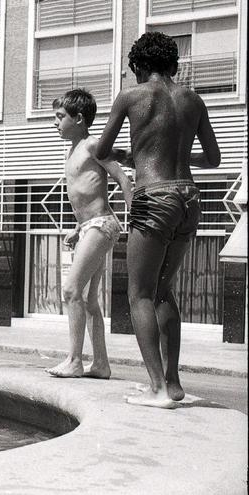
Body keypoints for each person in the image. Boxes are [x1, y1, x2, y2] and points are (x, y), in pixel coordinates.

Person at [94, 32, 220, 409]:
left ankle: (156, 387)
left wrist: (138, 154)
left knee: (139, 294)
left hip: (155, 196)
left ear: (138, 65)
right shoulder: (192, 99)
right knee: (164, 290)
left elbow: (102, 151)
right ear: (172, 64)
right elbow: (212, 158)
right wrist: (174, 152)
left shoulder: (131, 97)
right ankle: (174, 383)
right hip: (189, 198)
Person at [45, 89, 133, 380]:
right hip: (88, 226)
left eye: (60, 117)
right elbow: (86, 194)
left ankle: (74, 360)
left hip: (102, 225)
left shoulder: (93, 144)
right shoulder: (71, 150)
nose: (55, 123)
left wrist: (134, 216)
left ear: (79, 118)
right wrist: (76, 228)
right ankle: (101, 364)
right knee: (89, 299)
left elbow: (122, 178)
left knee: (71, 290)